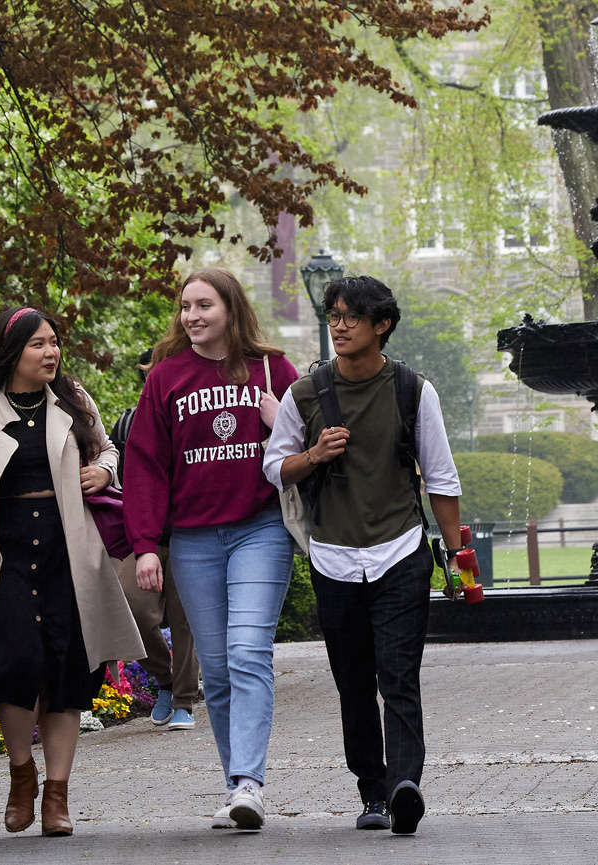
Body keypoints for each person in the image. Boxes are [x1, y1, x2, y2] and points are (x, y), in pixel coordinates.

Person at [0, 307, 144, 839]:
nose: (50, 352)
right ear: (12, 352)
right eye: (38, 345)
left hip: (67, 552)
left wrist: (105, 470)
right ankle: (22, 772)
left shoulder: (72, 400)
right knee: (16, 663)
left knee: (67, 672)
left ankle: (57, 795)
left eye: (54, 343)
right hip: (4, 559)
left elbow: (108, 447)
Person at [264, 275, 463, 836]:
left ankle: (405, 785)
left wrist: (458, 558)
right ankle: (371, 791)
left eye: (352, 316)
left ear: (383, 325)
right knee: (354, 682)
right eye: (334, 315)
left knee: (398, 675)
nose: (340, 325)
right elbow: (275, 468)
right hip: (333, 558)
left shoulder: (413, 391)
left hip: (400, 551)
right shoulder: (304, 395)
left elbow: (441, 481)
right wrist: (314, 454)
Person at [123, 267, 300, 830]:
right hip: (195, 539)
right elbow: (146, 466)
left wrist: (282, 424)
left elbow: (314, 447)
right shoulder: (166, 378)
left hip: (260, 528)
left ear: (231, 309)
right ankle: (236, 785)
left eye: (204, 305)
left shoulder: (272, 369)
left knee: (248, 653)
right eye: (185, 307)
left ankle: (250, 782)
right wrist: (146, 545)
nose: (192, 316)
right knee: (218, 669)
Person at [110, 349, 199, 731]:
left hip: (188, 532)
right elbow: (115, 468)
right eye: (149, 374)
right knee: (127, 608)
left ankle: (183, 700)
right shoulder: (128, 422)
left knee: (184, 620)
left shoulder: (195, 415)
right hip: (140, 534)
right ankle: (164, 678)